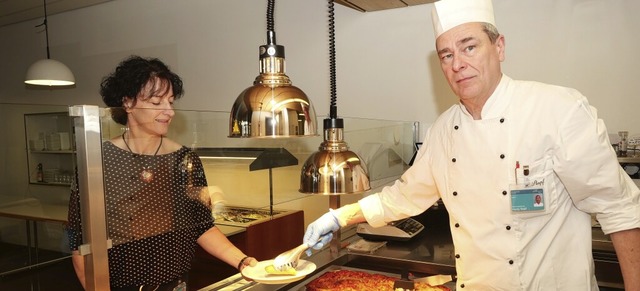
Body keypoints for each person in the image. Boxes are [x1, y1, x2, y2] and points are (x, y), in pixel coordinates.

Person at [302, 0, 640, 290]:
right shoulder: (444, 131)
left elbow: (621, 211)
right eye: (446, 55)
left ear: (499, 47)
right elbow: (402, 197)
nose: (458, 63)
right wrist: (338, 217)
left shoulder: (557, 110)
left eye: (469, 46)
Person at [66, 56, 257, 290]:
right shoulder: (97, 160)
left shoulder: (184, 159)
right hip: (116, 285)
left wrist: (243, 261)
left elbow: (202, 226)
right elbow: (79, 240)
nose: (169, 111)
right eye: (157, 102)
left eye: (171, 102)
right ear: (127, 103)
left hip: (174, 283)